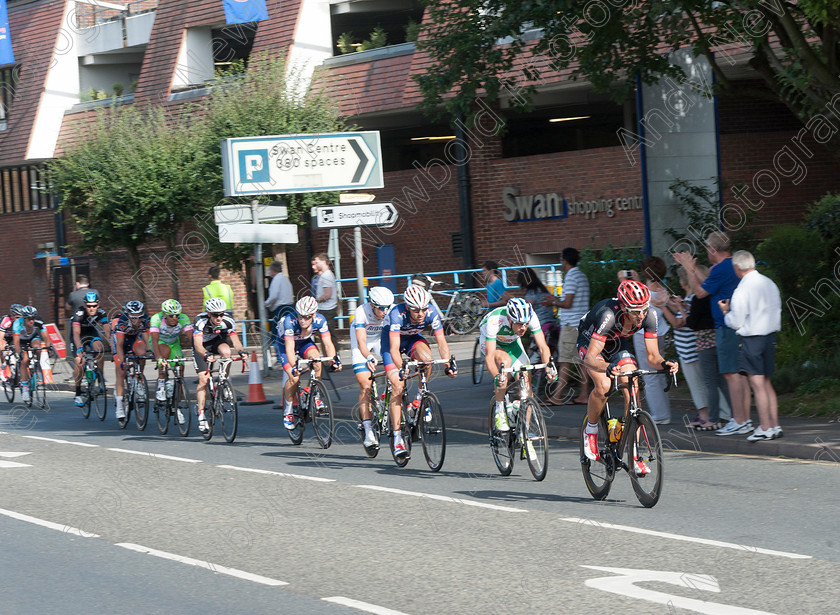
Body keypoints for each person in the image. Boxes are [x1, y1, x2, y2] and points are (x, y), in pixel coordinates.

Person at [577, 280, 679, 472]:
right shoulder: (608, 314)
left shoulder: (649, 316)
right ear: (623, 307)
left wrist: (665, 364)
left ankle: (633, 453)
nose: (640, 316)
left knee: (632, 387)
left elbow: (652, 356)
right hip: (591, 343)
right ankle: (590, 431)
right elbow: (591, 358)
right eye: (634, 311)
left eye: (643, 309)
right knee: (604, 386)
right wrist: (607, 367)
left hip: (616, 342)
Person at [674, 231, 751, 436]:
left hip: (726, 326)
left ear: (712, 249)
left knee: (731, 375)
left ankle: (739, 420)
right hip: (736, 324)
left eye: (707, 247)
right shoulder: (728, 266)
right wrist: (691, 268)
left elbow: (700, 292)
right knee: (737, 375)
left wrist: (689, 269)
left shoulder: (721, 268)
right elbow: (707, 281)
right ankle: (744, 419)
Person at [381, 285, 456, 458]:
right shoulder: (396, 314)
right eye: (416, 310)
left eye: (424, 308)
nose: (421, 313)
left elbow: (441, 341)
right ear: (407, 307)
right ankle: (398, 438)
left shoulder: (431, 312)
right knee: (398, 387)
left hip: (413, 339)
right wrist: (401, 369)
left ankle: (419, 398)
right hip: (392, 342)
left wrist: (447, 365)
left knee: (427, 359)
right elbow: (394, 349)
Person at [719, 250, 783, 441]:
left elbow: (736, 322)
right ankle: (774, 425)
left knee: (757, 384)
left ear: (737, 268)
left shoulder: (742, 289)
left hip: (752, 339)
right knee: (767, 384)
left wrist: (725, 312)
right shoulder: (769, 283)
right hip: (770, 336)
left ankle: (765, 427)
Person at [664, 266, 732, 430]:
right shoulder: (707, 298)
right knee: (720, 381)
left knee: (709, 384)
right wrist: (683, 307)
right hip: (711, 342)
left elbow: (690, 323)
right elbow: (695, 315)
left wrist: (676, 307)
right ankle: (731, 415)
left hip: (701, 345)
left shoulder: (697, 298)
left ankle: (713, 418)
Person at [482, 297, 556, 433]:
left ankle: (524, 432)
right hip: (493, 343)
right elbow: (489, 356)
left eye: (526, 324)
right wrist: (497, 377)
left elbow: (543, 347)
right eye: (519, 324)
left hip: (512, 343)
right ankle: (499, 410)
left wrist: (549, 368)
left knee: (526, 383)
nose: (523, 328)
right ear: (509, 319)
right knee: (505, 363)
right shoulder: (495, 320)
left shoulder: (531, 316)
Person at [279, 296, 342, 430]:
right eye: (300, 316)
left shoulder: (320, 320)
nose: (302, 320)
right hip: (285, 345)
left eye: (306, 317)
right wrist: (294, 366)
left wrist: (333, 360)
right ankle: (288, 412)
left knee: (317, 360)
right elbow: (289, 348)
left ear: (313, 315)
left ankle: (316, 396)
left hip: (304, 343)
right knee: (294, 377)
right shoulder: (290, 321)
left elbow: (327, 343)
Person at [543, 247, 591, 405]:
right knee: (582, 363)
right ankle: (584, 395)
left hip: (571, 325)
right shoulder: (582, 276)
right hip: (583, 324)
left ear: (564, 260)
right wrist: (557, 299)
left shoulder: (571, 277)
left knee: (564, 361)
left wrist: (553, 302)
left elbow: (568, 303)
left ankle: (557, 396)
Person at [192, 297, 248, 434]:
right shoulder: (200, 321)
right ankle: (201, 416)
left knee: (227, 352)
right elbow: (198, 344)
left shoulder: (227, 321)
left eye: (221, 314)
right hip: (201, 347)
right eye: (216, 315)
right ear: (209, 314)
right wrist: (205, 355)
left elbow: (235, 341)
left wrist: (241, 351)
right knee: (204, 380)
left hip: (216, 341)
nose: (219, 318)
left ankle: (224, 381)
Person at [351, 286, 395, 450]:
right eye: (381, 308)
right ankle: (368, 430)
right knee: (365, 385)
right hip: (361, 343)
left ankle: (386, 398)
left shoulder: (390, 310)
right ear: (372, 305)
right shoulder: (361, 312)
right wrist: (369, 357)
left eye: (388, 307)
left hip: (379, 341)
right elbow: (362, 343)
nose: (385, 311)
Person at [630, 256, 673, 425]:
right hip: (660, 333)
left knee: (650, 375)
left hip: (643, 335)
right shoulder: (662, 291)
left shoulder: (643, 292)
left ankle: (660, 414)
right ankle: (663, 411)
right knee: (660, 373)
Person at [149, 300, 194, 414]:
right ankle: (161, 385)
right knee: (165, 352)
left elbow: (192, 339)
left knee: (180, 369)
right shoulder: (156, 319)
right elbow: (154, 340)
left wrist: (199, 353)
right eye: (171, 316)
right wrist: (159, 357)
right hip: (159, 342)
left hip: (174, 343)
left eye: (177, 315)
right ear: (164, 315)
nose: (175, 318)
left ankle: (176, 406)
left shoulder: (184, 318)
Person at [111, 301, 152, 421]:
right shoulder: (122, 322)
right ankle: (119, 406)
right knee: (121, 370)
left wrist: (150, 350)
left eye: (139, 317)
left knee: (142, 353)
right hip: (121, 342)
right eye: (134, 318)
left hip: (134, 339)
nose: (137, 321)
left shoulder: (145, 320)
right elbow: (119, 345)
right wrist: (122, 361)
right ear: (128, 315)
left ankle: (139, 379)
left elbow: (146, 337)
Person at [70, 292, 111, 407]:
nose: (91, 308)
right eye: (89, 306)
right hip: (78, 335)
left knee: (99, 348)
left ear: (98, 305)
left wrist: (112, 345)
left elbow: (107, 330)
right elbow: (76, 334)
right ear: (84, 305)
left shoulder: (101, 312)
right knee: (79, 362)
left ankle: (101, 377)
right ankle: (78, 392)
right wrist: (79, 349)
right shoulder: (79, 313)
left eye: (94, 305)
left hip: (91, 332)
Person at [12, 306, 53, 403]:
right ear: (24, 318)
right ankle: (25, 387)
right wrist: (19, 354)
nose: (32, 321)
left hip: (33, 338)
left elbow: (45, 337)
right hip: (21, 341)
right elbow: (16, 343)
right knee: (24, 360)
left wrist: (49, 348)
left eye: (33, 319)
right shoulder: (17, 324)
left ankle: (37, 365)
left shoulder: (39, 321)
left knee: (38, 348)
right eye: (29, 319)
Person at [265, 261, 294, 366]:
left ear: (273, 270)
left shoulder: (276, 280)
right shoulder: (285, 279)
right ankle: (291, 356)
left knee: (277, 334)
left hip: (280, 309)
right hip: (289, 308)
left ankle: (280, 358)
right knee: (289, 333)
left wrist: (265, 304)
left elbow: (273, 296)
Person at [311, 253, 338, 327]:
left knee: (328, 333)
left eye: (317, 263)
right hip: (325, 308)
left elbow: (327, 295)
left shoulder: (326, 275)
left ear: (323, 262)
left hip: (326, 309)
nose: (315, 266)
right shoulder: (325, 275)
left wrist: (315, 301)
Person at [0, 304, 24, 380]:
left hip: (14, 337)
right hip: (4, 336)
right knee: (2, 348)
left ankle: (17, 367)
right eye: (16, 317)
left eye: (20, 318)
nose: (18, 320)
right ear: (12, 315)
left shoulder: (21, 322)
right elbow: (1, 337)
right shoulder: (6, 320)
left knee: (17, 348)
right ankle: (3, 367)